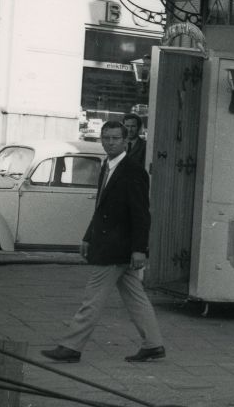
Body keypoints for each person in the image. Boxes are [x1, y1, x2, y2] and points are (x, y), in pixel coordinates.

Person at [42, 121, 166, 364]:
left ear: (125, 141)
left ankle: (71, 347)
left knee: (92, 298)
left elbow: (142, 214)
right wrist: (89, 236)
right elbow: (101, 208)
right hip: (109, 244)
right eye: (106, 138)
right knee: (135, 297)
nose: (110, 142)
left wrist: (140, 249)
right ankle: (153, 345)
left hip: (117, 248)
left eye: (115, 138)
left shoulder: (133, 171)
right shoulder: (106, 166)